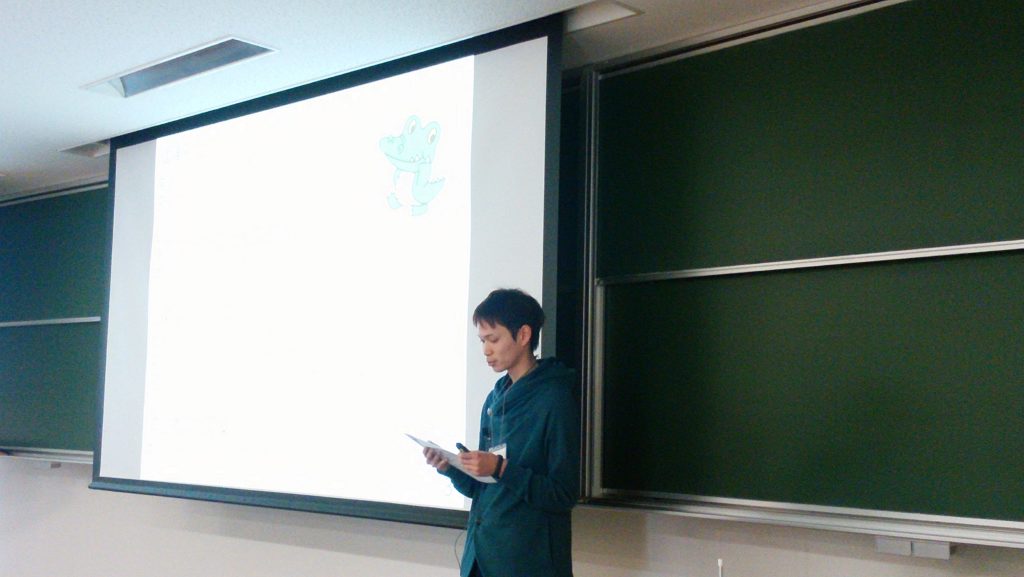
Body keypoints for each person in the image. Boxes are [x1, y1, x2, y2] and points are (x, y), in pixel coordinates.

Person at [424, 288, 580, 577]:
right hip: (481, 556)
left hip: (527, 562)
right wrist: (452, 468)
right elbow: (484, 489)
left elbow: (563, 495)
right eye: (482, 341)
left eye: (493, 339)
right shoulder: (495, 398)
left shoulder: (554, 400)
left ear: (523, 335)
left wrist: (501, 468)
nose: (486, 350)